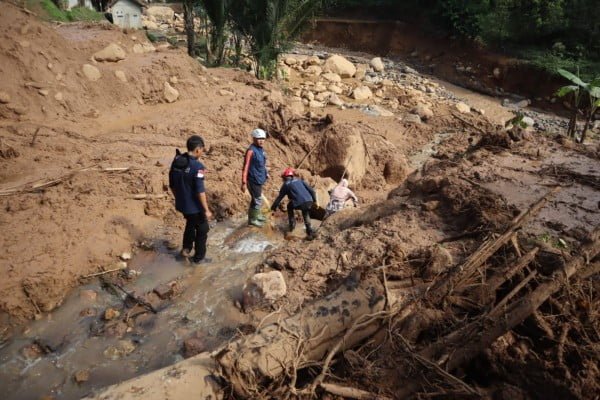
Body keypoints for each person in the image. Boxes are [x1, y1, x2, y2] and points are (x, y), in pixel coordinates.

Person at [169, 135, 214, 264]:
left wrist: (179, 198)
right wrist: (206, 210)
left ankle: (186, 249)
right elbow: (200, 191)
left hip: (182, 204)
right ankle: (199, 258)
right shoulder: (198, 167)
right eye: (202, 150)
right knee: (202, 229)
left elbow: (171, 185)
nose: (202, 153)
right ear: (198, 149)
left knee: (190, 224)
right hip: (194, 206)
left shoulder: (177, 160)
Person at [271, 168, 317, 237]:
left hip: (300, 203)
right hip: (309, 201)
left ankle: (292, 226)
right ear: (292, 176)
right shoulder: (299, 180)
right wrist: (315, 201)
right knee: (305, 212)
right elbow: (312, 191)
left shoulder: (286, 185)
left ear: (285, 177)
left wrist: (273, 207)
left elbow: (279, 197)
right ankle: (309, 231)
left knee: (289, 206)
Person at [241, 128, 269, 227]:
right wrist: (244, 182)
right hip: (252, 179)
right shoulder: (251, 151)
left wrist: (266, 173)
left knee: (257, 198)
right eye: (259, 138)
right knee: (256, 199)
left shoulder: (261, 150)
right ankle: (252, 219)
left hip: (259, 178)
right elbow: (246, 166)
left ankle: (257, 215)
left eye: (263, 139)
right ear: (253, 139)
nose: (261, 141)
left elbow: (263, 163)